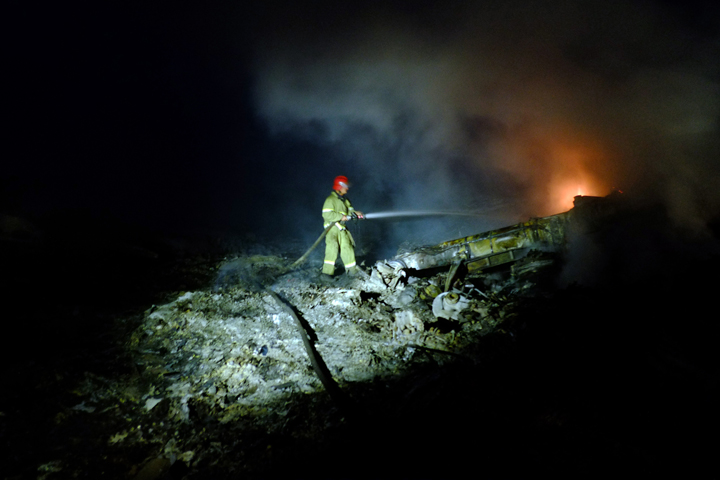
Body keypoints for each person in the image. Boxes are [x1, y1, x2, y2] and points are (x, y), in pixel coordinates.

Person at [321, 175, 364, 276]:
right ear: (339, 187)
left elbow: (350, 211)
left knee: (347, 248)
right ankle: (326, 274)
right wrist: (341, 216)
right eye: (345, 186)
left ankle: (352, 272)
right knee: (332, 249)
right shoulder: (330, 200)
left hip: (342, 229)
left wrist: (355, 213)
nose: (347, 188)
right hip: (332, 229)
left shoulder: (345, 200)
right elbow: (326, 214)